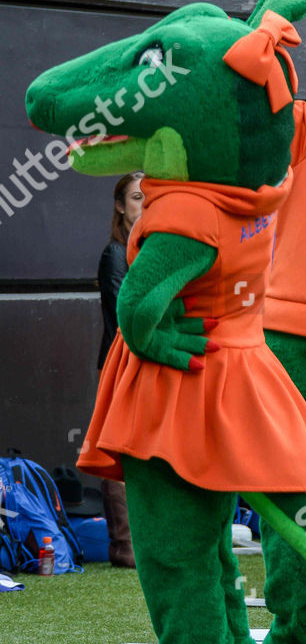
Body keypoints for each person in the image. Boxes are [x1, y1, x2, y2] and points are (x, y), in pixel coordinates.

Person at [96, 171, 142, 569]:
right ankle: (123, 546)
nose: (143, 205)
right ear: (120, 205)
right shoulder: (115, 253)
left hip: (145, 362)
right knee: (116, 449)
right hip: (120, 363)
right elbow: (120, 318)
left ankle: (141, 543)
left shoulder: (151, 247)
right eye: (136, 198)